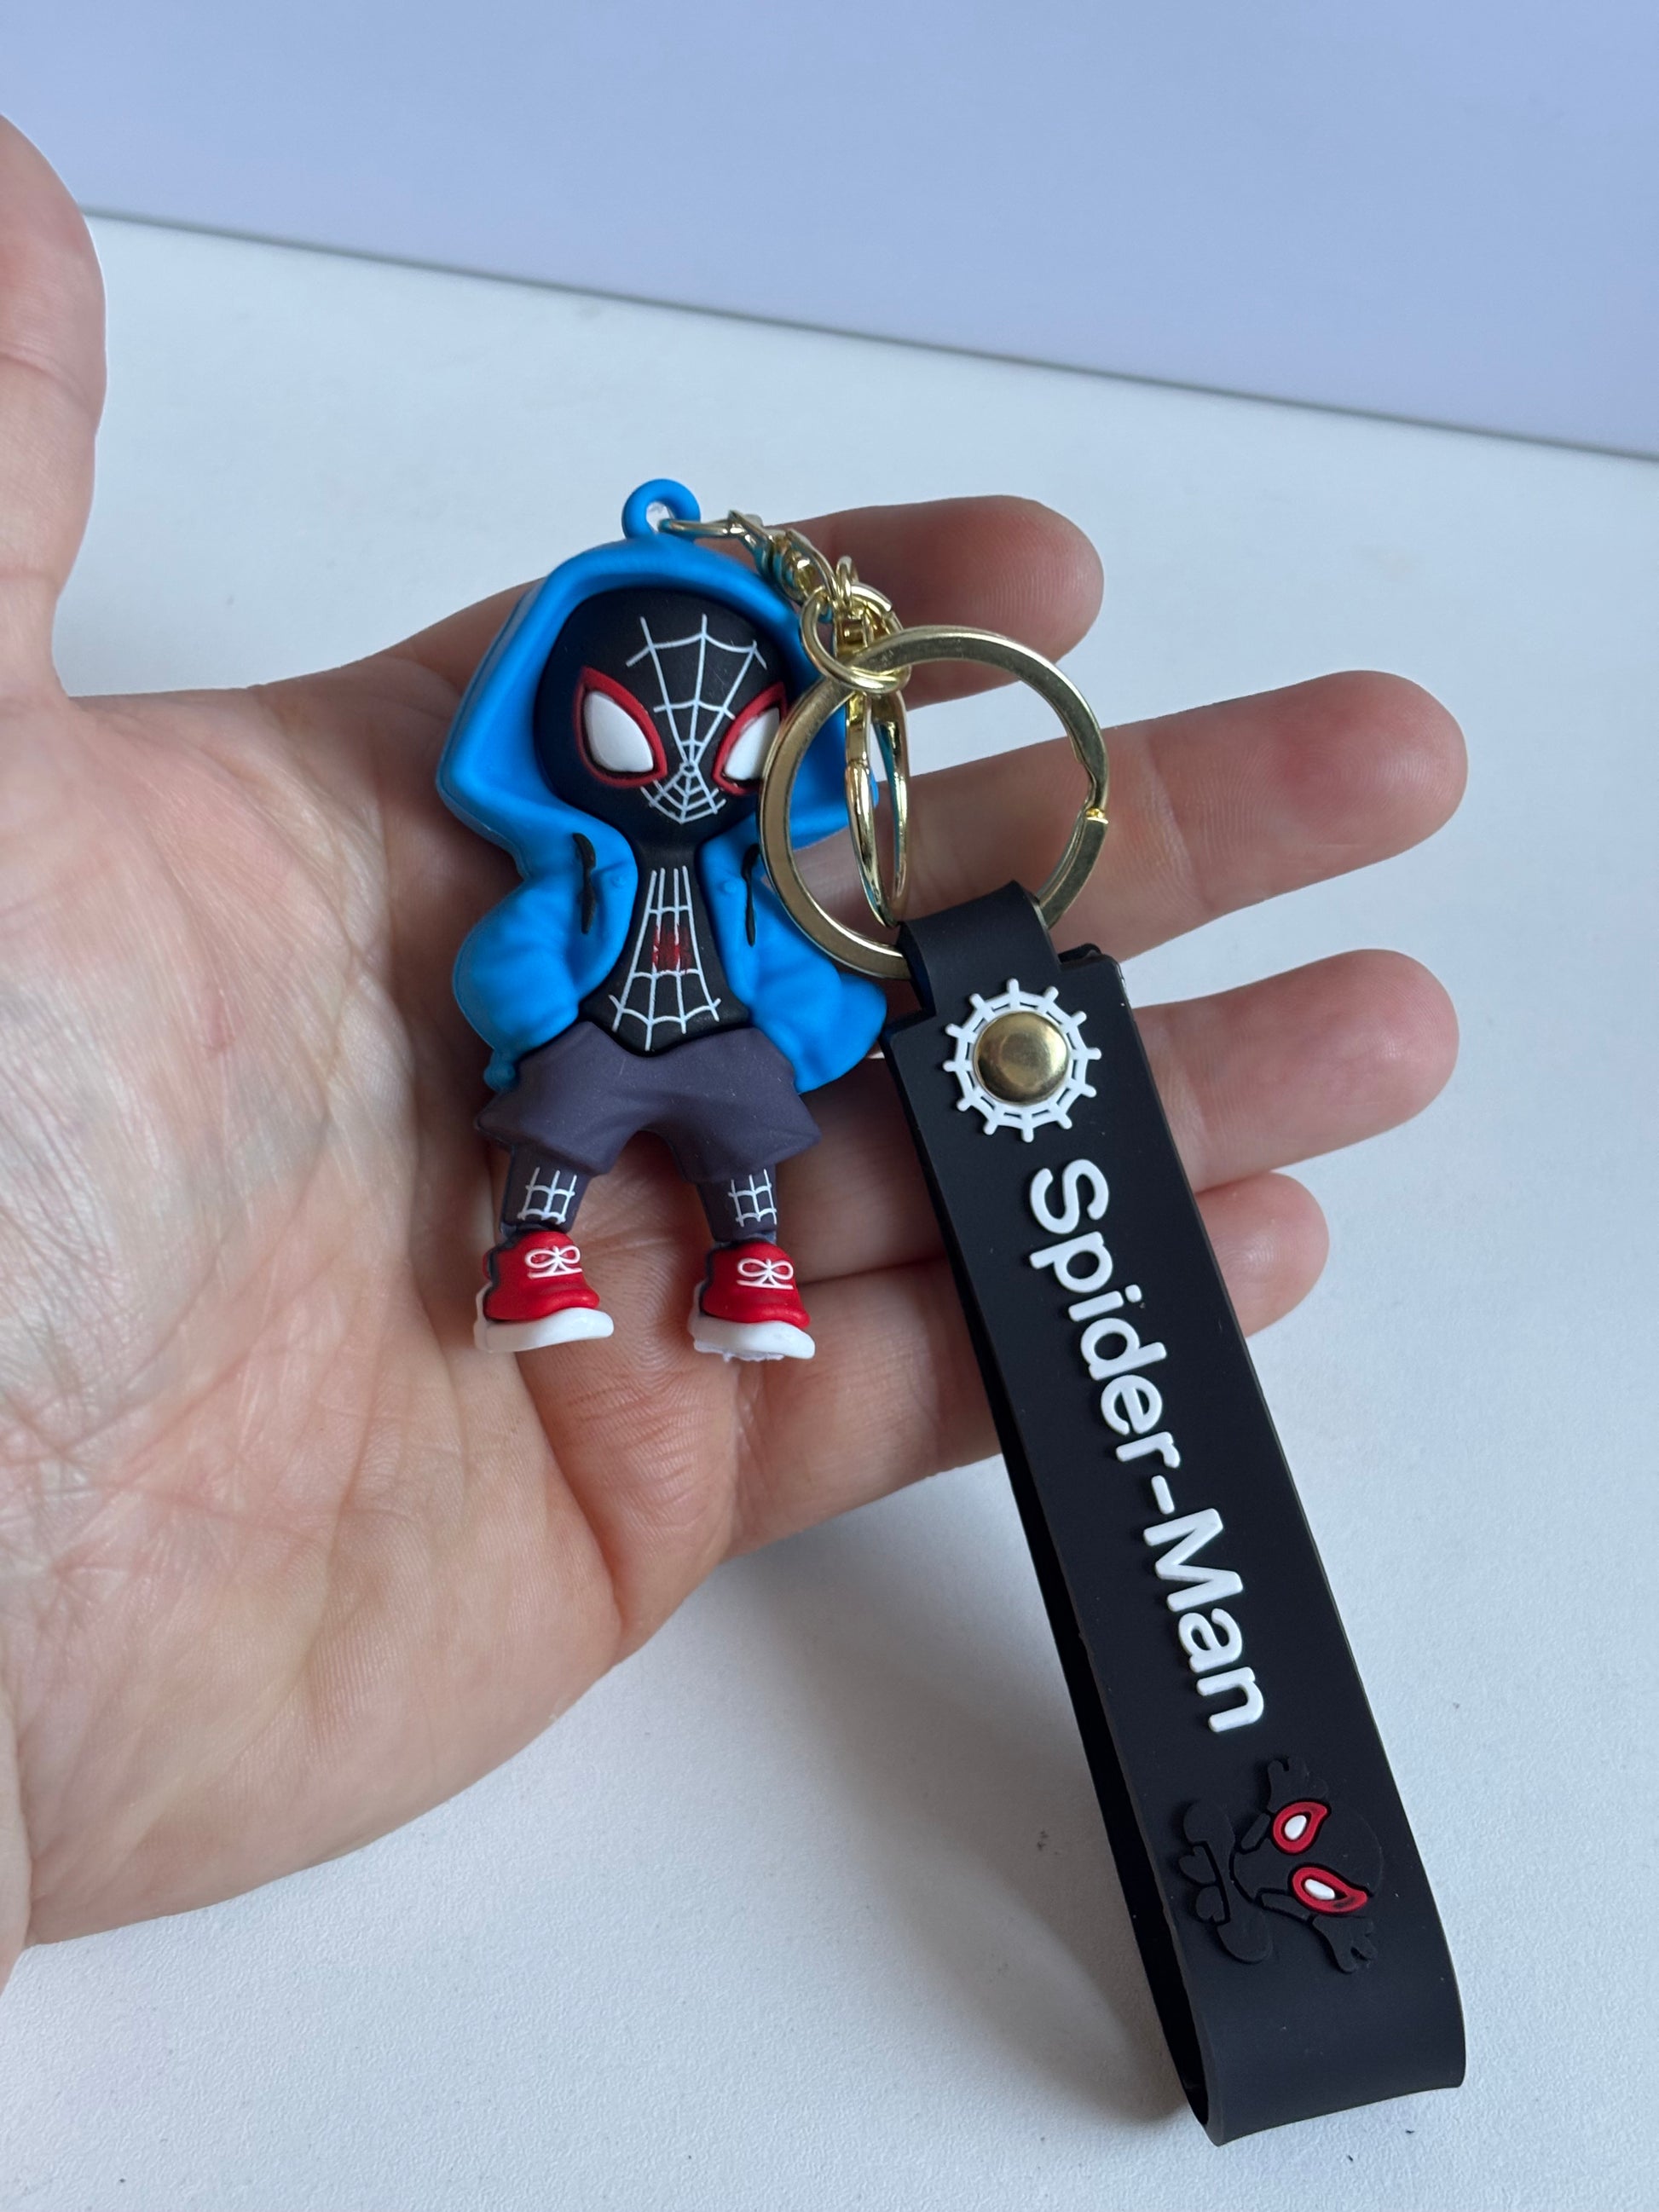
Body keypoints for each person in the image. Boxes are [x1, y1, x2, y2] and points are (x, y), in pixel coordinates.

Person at [0, 123, 1464, 1990]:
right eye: (647, 728)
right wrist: (534, 982)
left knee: (753, 1127)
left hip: (718, 1028)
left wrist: (836, 1002)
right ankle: (536, 1252)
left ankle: (749, 1264)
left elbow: (800, 977)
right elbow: (521, 957)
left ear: (776, 742)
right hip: (608, 1018)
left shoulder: (755, 869)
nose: (688, 758)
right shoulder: (577, 853)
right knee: (557, 1108)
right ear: (571, 730)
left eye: (723, 732)